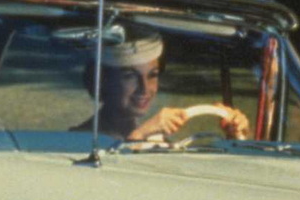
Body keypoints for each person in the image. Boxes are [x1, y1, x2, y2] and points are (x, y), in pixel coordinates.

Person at [86, 24, 250, 142]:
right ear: (103, 80)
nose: (144, 89)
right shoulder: (79, 140)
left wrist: (235, 138)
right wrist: (142, 133)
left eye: (153, 75)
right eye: (130, 76)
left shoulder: (156, 138)